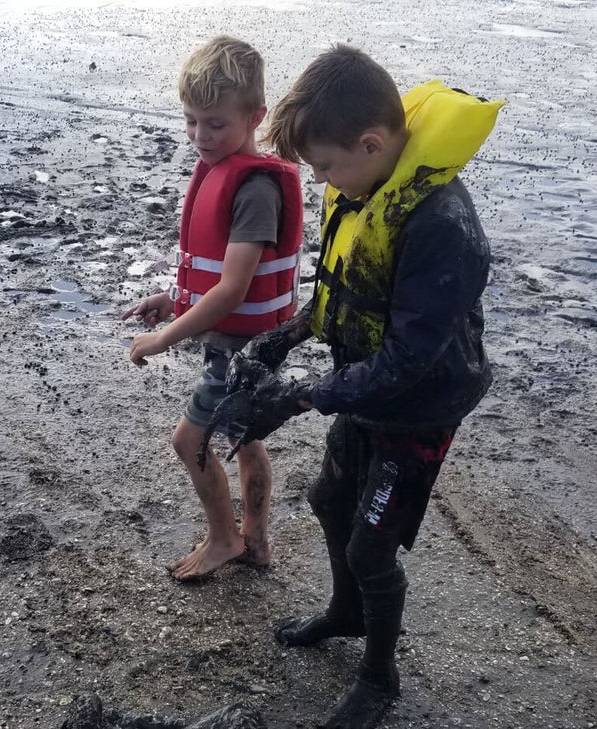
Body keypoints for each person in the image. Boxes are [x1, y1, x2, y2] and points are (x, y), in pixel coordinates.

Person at [230, 46, 503, 728]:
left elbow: (410, 360)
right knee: (329, 499)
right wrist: (286, 336)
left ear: (373, 142)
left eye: (324, 165)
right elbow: (340, 294)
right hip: (363, 387)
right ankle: (346, 612)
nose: (321, 178)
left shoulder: (443, 227)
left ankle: (379, 677)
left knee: (370, 544)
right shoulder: (363, 184)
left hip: (419, 408)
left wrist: (302, 394)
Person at [122, 36, 304, 581]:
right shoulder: (226, 170)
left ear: (255, 116)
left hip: (241, 350)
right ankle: (256, 541)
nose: (201, 136)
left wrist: (166, 336)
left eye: (215, 124)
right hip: (246, 342)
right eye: (191, 121)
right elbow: (216, 282)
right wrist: (170, 300)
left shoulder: (255, 190)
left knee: (191, 440)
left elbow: (231, 290)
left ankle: (226, 539)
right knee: (246, 437)